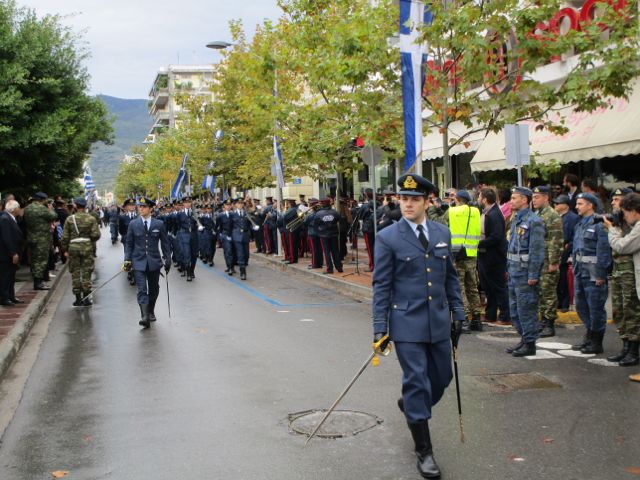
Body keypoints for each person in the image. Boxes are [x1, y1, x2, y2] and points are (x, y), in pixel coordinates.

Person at [372, 174, 465, 479]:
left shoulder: (442, 232)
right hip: (406, 323)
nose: (407, 204)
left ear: (427, 202)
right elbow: (381, 286)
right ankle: (424, 451)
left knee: (442, 377)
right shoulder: (388, 237)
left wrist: (458, 312)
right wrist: (380, 328)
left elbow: (450, 277)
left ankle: (411, 405)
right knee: (416, 380)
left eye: (414, 199)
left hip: (438, 321)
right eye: (403, 199)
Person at [506, 187, 545, 357]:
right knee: (514, 310)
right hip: (514, 271)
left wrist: (533, 275)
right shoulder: (516, 219)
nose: (511, 201)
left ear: (524, 200)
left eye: (514, 198)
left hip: (524, 273)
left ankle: (530, 343)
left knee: (526, 309)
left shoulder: (533, 221)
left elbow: (536, 250)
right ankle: (523, 338)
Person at [571, 193, 612, 354]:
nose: (576, 206)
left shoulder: (599, 224)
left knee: (596, 308)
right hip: (580, 272)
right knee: (582, 306)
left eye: (580, 203)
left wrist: (601, 274)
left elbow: (603, 251)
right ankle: (589, 335)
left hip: (594, 273)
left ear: (590, 205)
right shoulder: (580, 224)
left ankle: (596, 341)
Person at [123, 197, 171, 328]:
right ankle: (144, 316)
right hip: (138, 262)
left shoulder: (159, 224)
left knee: (154, 289)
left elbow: (165, 243)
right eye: (140, 206)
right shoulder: (133, 224)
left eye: (144, 207)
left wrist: (167, 259)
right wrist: (127, 259)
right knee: (142, 289)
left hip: (154, 262)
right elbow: (129, 244)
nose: (141, 209)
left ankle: (150, 310)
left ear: (151, 209)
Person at [604, 191, 640, 367]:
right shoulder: (625, 222)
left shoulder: (636, 226)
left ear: (633, 210)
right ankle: (626, 347)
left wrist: (612, 229)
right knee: (620, 310)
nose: (614, 203)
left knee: (631, 310)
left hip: (630, 274)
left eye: (617, 200)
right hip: (619, 272)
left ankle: (633, 350)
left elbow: (622, 246)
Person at [448, 190, 483, 331]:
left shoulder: (452, 211)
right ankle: (476, 319)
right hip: (472, 254)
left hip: (458, 255)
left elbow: (437, 221)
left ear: (457, 199)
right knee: (473, 288)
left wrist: (435, 208)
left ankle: (465, 319)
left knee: (460, 288)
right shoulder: (475, 211)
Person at [532, 186, 564, 337]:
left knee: (548, 292)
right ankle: (542, 321)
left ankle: (549, 323)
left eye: (537, 197)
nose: (534, 200)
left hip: (547, 260)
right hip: (538, 259)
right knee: (540, 291)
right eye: (533, 197)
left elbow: (555, 240)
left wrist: (554, 261)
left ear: (546, 198)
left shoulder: (552, 215)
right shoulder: (537, 214)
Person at [477, 187, 510, 325]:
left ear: (484, 199)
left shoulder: (494, 214)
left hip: (494, 257)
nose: (478, 199)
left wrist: (478, 243)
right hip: (485, 255)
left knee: (498, 287)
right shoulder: (487, 212)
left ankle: (505, 316)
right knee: (488, 287)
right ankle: (490, 314)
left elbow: (496, 237)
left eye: (479, 197)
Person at [60, 198, 101, 307]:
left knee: (75, 272)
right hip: (87, 247)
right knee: (87, 271)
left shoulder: (70, 219)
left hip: (73, 247)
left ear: (75, 206)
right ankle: (86, 298)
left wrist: (65, 249)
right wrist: (88, 240)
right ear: (85, 206)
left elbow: (64, 237)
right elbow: (96, 235)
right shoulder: (91, 218)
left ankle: (78, 299)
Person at [23, 192, 58, 291]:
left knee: (34, 260)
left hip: (31, 237)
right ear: (43, 199)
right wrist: (50, 209)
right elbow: (54, 216)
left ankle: (37, 281)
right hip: (42, 239)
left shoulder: (27, 208)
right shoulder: (42, 208)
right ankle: (38, 283)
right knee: (41, 261)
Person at [553, 194, 579, 312]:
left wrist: (569, 246)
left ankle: (565, 303)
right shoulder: (556, 216)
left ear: (565, 205)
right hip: (557, 251)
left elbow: (575, 235)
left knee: (564, 279)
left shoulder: (573, 218)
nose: (555, 205)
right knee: (558, 279)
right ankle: (559, 301)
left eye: (558, 203)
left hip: (566, 252)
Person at [0, 200, 24, 306]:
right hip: (6, 254)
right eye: (18, 207)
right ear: (14, 209)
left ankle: (11, 296)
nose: (20, 209)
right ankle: (4, 298)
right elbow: (7, 238)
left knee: (11, 276)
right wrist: (13, 253)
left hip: (10, 253)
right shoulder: (5, 219)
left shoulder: (11, 218)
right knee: (5, 276)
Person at [314, 198, 343, 274]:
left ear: (323, 204)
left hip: (324, 235)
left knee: (326, 252)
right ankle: (339, 267)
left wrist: (319, 232)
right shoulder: (335, 212)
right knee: (335, 251)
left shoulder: (319, 213)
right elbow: (339, 220)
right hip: (334, 234)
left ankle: (330, 269)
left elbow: (315, 224)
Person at [175, 197, 199, 281]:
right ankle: (188, 272)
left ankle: (192, 270)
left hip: (194, 235)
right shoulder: (180, 214)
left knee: (194, 254)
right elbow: (178, 225)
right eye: (186, 202)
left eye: (189, 202)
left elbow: (198, 223)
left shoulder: (195, 213)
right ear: (183, 204)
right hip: (184, 234)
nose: (188, 204)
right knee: (186, 254)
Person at [231, 198, 251, 281]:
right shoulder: (232, 214)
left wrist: (253, 227)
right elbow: (229, 226)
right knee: (240, 254)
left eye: (241, 203)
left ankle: (243, 266)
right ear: (235, 204)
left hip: (245, 235)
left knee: (246, 254)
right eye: (238, 203)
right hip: (237, 236)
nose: (240, 205)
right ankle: (243, 272)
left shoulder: (246, 213)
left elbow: (250, 223)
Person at [217, 200, 235, 275]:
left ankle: (231, 266)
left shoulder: (234, 214)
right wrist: (220, 235)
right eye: (227, 205)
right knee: (228, 251)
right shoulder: (220, 215)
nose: (228, 206)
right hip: (225, 234)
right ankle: (229, 267)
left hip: (233, 234)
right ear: (224, 206)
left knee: (233, 252)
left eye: (229, 205)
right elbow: (218, 226)